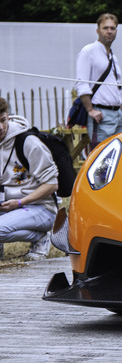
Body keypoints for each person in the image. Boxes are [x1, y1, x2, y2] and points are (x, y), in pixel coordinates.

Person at [0, 99, 58, 261]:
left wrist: (20, 202)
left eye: (3, 120)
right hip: (7, 205)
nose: (0, 127)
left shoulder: (27, 142)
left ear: (8, 117)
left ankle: (40, 237)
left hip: (40, 207)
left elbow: (52, 185)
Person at [74, 13, 122, 146]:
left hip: (117, 115)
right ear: (98, 30)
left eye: (113, 28)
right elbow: (81, 83)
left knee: (118, 157)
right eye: (105, 28)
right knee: (102, 158)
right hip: (101, 114)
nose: (109, 31)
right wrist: (90, 110)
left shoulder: (112, 56)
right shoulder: (88, 51)